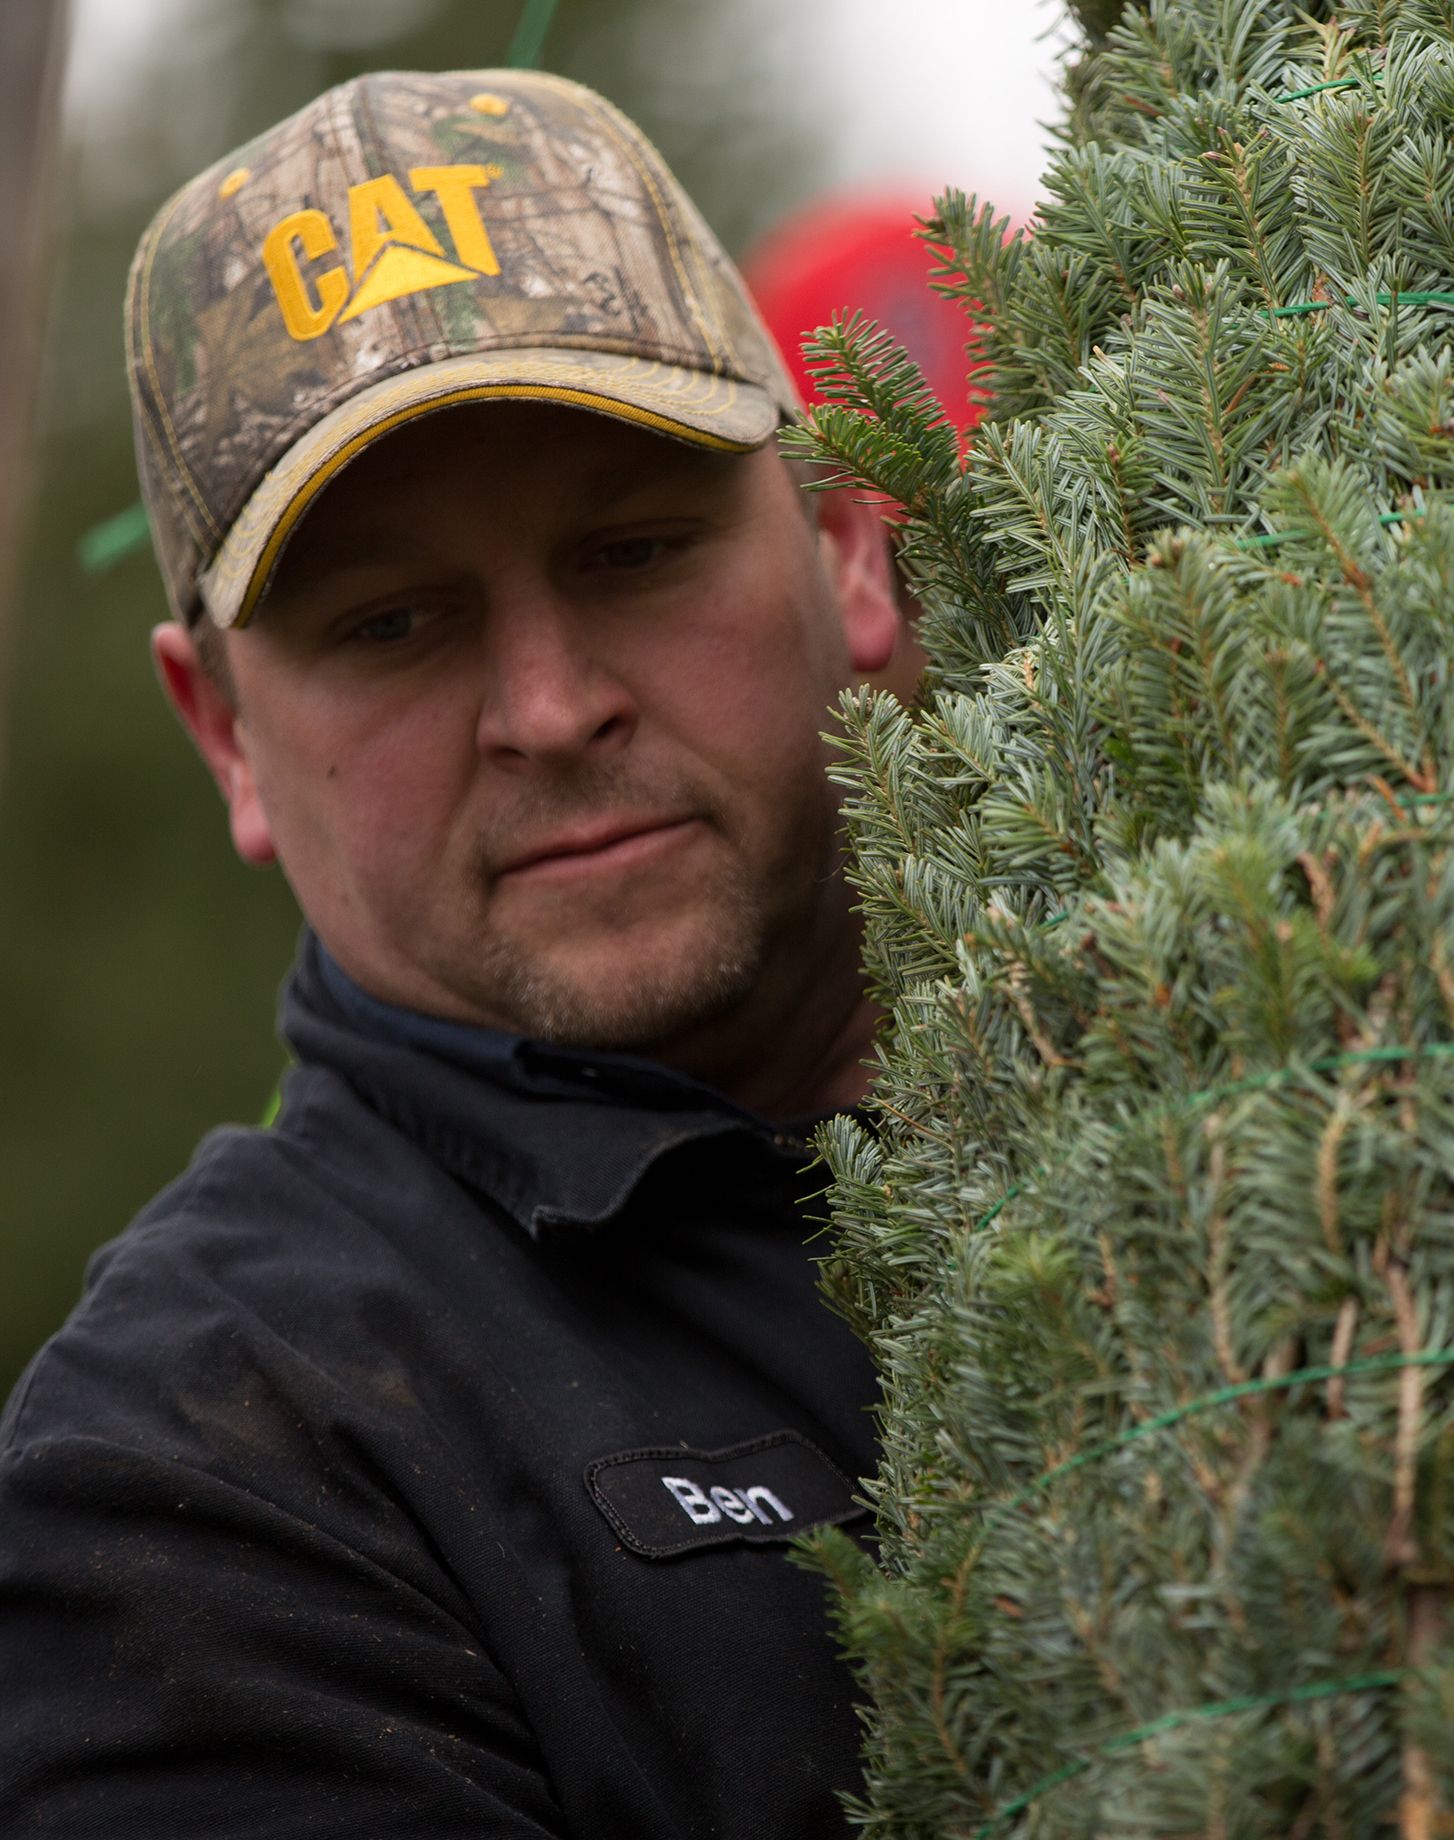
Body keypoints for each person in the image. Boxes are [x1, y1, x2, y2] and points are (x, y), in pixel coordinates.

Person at [0, 68, 924, 1836]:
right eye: (392, 622)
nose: (550, 708)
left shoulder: (1236, 1021)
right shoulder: (200, 1472)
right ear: (224, 739)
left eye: (635, 549)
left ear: (844, 550)